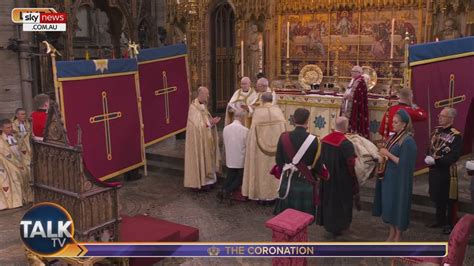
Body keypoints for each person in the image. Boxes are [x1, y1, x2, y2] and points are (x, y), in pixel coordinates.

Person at [373, 109, 417, 242]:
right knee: (389, 205)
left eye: (396, 122)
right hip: (388, 177)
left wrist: (387, 154)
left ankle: (398, 234)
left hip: (399, 179)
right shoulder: (393, 137)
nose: (393, 124)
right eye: (393, 122)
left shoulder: (408, 141)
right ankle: (391, 232)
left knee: (398, 205)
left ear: (404, 124)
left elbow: (404, 163)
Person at [274, 108, 327, 216]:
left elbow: (278, 161)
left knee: (285, 217)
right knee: (302, 218)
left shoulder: (283, 137)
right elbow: (317, 166)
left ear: (293, 119)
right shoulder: (315, 140)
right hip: (305, 183)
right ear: (307, 121)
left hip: (287, 181)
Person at [317, 116, 360, 237]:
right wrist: (354, 179)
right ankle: (340, 226)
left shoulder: (324, 140)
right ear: (346, 127)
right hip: (342, 181)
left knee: (328, 201)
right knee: (341, 203)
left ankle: (328, 224)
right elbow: (351, 164)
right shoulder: (346, 144)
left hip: (327, 178)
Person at [242, 92, 286, 204]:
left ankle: (261, 196)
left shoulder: (258, 112)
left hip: (260, 151)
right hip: (276, 150)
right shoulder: (278, 111)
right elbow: (284, 131)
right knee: (274, 171)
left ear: (262, 100)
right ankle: (275, 194)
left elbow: (252, 133)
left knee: (261, 171)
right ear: (272, 100)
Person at [425, 107, 463, 235]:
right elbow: (431, 147)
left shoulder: (456, 135)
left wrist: (438, 160)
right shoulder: (436, 131)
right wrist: (428, 156)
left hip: (446, 170)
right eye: (439, 115)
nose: (439, 118)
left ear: (451, 119)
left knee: (448, 198)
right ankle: (439, 220)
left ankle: (449, 223)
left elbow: (454, 155)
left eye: (443, 116)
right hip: (434, 169)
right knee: (437, 196)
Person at [184, 86, 221, 190]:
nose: (208, 96)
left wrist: (212, 122)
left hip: (207, 139)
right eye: (207, 94)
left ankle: (210, 181)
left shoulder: (203, 106)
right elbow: (196, 126)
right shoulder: (193, 108)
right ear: (201, 94)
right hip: (199, 141)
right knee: (202, 159)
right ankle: (202, 182)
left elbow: (205, 121)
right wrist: (210, 123)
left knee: (209, 159)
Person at [219, 109, 249, 204]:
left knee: (230, 176)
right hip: (240, 159)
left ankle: (223, 190)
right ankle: (226, 191)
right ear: (242, 117)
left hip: (230, 158)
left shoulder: (226, 128)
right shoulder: (245, 130)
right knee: (239, 179)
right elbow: (247, 145)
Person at [0, 119, 30, 206]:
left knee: (27, 171)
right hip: (7, 163)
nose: (10, 129)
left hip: (20, 160)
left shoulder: (16, 136)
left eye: (11, 127)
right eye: (7, 128)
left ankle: (27, 198)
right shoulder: (1, 141)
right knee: (17, 173)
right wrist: (17, 165)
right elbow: (6, 155)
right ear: (2, 128)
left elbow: (22, 149)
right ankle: (19, 200)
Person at [341, 66, 369, 138]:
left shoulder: (361, 81)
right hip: (349, 104)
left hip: (356, 107)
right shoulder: (353, 80)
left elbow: (359, 95)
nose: (352, 73)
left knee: (354, 122)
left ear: (359, 73)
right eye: (352, 71)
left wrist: (351, 97)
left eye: (353, 71)